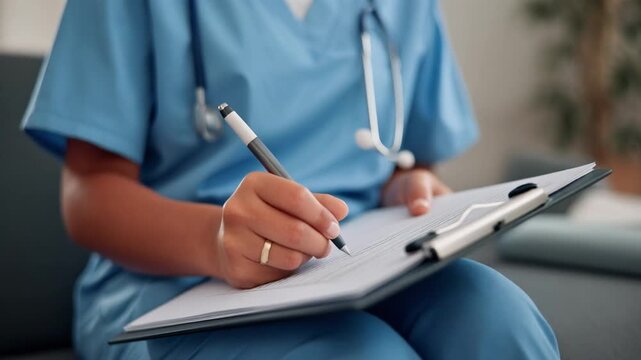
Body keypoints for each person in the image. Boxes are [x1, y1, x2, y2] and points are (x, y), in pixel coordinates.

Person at [22, 0, 560, 358]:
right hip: (171, 284)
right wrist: (215, 243)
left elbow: (407, 155)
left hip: (360, 262)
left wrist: (407, 184)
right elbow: (88, 195)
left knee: (499, 323)